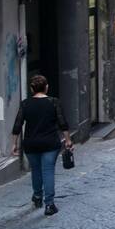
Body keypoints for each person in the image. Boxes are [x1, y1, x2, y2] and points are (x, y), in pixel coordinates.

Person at [10, 74, 72, 216]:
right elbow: (62, 123)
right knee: (48, 171)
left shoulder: (25, 104)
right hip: (50, 143)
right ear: (46, 87)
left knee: (36, 170)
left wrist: (14, 144)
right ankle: (49, 204)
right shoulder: (54, 102)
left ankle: (37, 196)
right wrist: (68, 140)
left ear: (32, 89)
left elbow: (17, 125)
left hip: (31, 144)